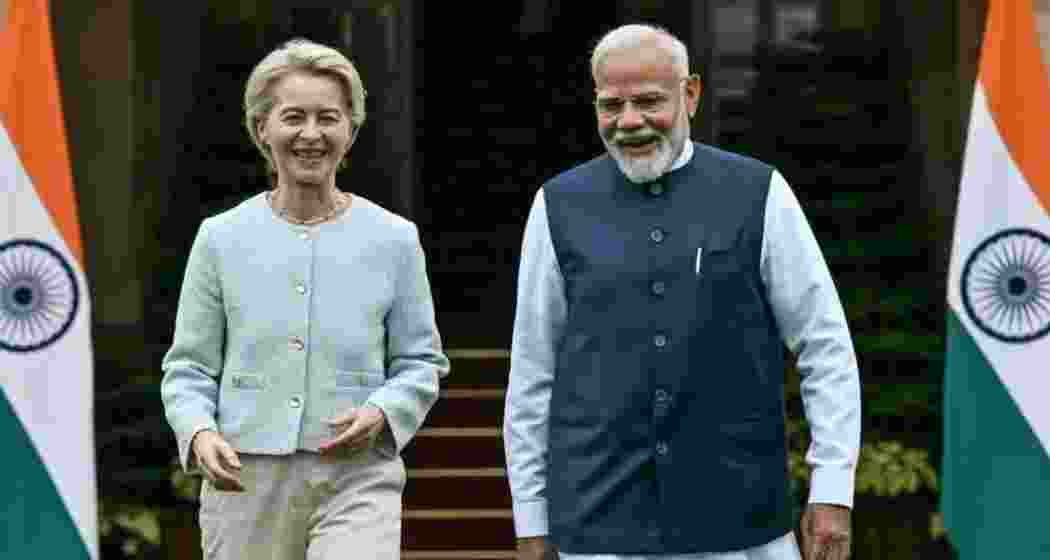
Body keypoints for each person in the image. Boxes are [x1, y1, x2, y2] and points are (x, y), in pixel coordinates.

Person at [503, 24, 861, 560]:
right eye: (611, 105)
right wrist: (530, 517)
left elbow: (824, 345)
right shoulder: (556, 205)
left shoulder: (759, 192)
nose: (629, 122)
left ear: (690, 93)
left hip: (743, 523)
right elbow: (534, 374)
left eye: (648, 101)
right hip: (602, 526)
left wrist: (832, 487)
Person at [160, 38, 449, 560]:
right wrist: (199, 433)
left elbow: (421, 361)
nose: (311, 134)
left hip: (356, 477)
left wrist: (384, 411)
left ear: (351, 132)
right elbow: (188, 368)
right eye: (293, 117)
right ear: (261, 129)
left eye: (329, 118)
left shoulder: (394, 239)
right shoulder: (220, 238)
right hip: (243, 483)